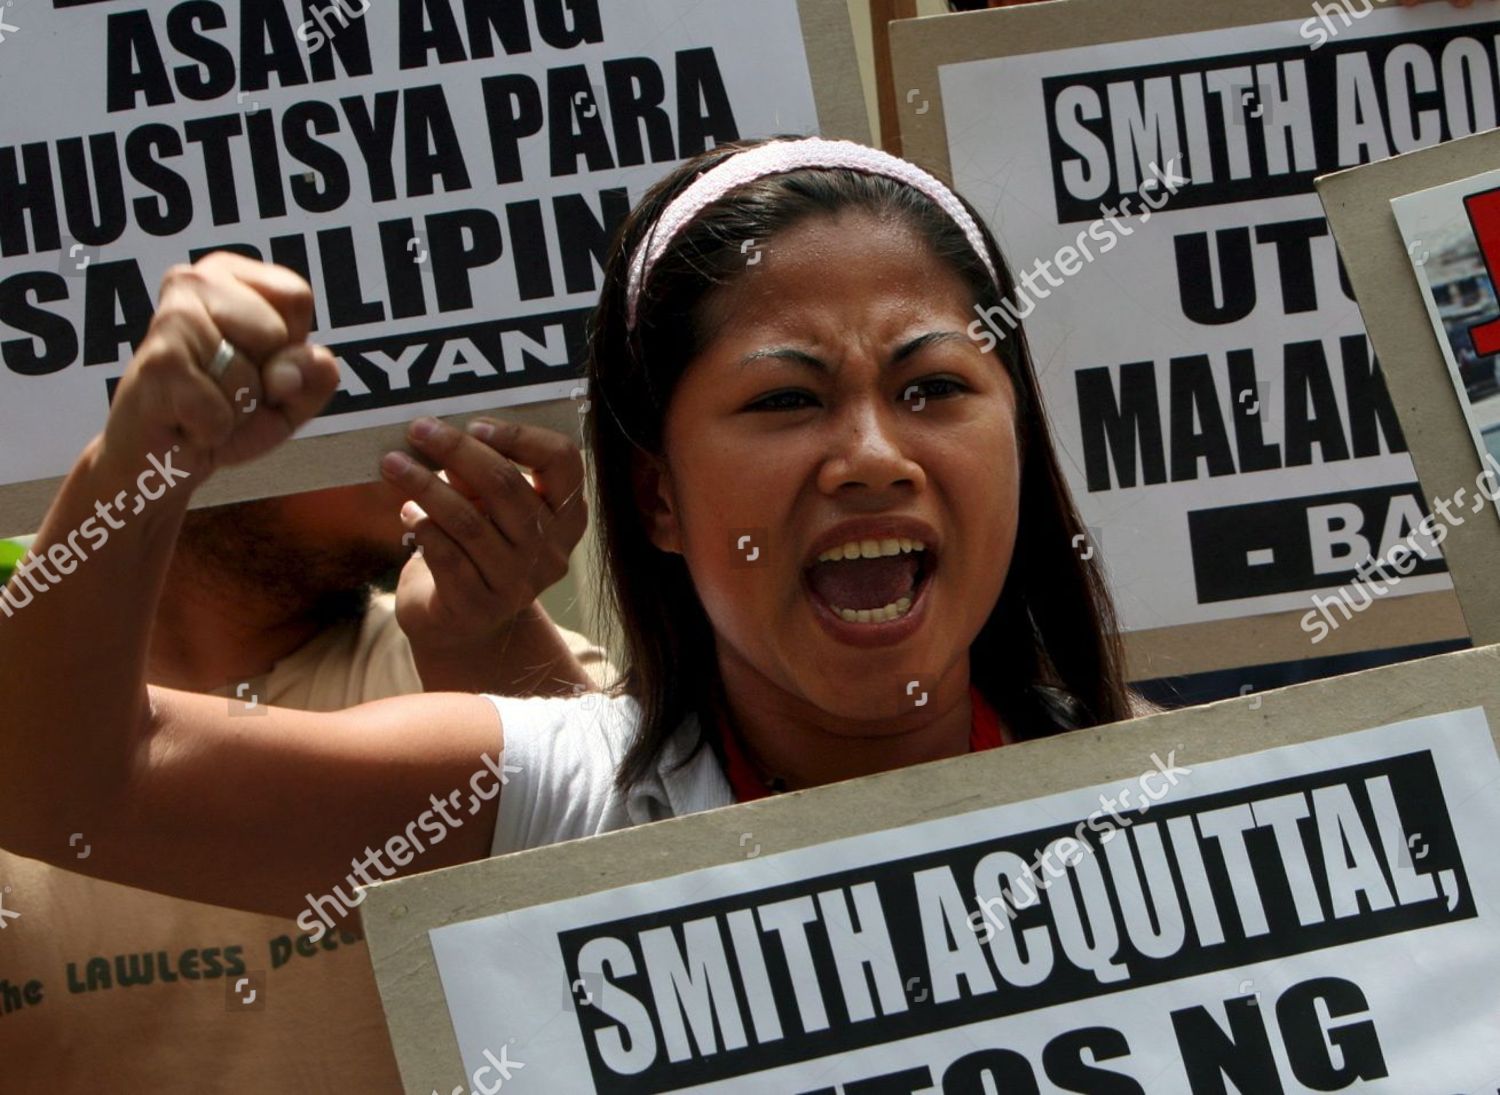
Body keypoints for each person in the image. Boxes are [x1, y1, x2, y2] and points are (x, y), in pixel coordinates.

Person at [0, 136, 1137, 933]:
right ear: (657, 501)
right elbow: (63, 787)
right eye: (785, 401)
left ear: (1022, 449)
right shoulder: (556, 803)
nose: (874, 456)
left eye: (933, 387)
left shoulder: (1213, 797)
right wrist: (143, 460)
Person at [0, 436, 611, 1089]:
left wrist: (495, 639)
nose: (417, 425)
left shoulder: (514, 667)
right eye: (319, 379)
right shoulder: (24, 710)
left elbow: (634, 938)